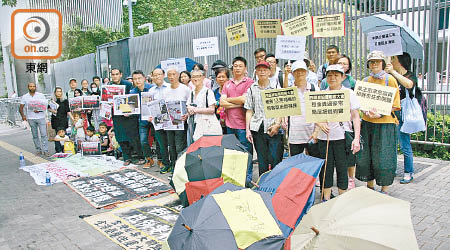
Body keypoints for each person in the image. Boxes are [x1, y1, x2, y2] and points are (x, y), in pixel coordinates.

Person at [313, 64, 361, 201]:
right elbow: (312, 115)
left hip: (342, 138)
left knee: (342, 169)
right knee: (326, 170)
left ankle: (342, 200)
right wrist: (319, 123)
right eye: (329, 75)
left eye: (336, 75)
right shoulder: (321, 94)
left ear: (342, 77)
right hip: (325, 139)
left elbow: (356, 116)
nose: (332, 78)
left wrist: (356, 138)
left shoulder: (349, 93)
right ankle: (326, 199)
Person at [356, 51, 401, 194]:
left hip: (385, 125)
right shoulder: (365, 81)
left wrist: (380, 113)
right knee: (367, 155)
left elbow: (395, 104)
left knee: (384, 156)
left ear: (382, 63)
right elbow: (359, 103)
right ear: (368, 64)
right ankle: (370, 186)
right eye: (372, 61)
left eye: (377, 61)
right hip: (368, 123)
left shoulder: (390, 80)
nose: (374, 64)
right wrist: (366, 111)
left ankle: (384, 188)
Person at [385, 52, 421, 184]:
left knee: (405, 145)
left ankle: (408, 172)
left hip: (404, 114)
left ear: (400, 61)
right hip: (392, 113)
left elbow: (409, 84)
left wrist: (393, 72)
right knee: (391, 144)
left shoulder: (410, 76)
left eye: (393, 58)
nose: (391, 61)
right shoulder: (390, 75)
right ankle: (392, 169)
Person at [245, 61, 283, 178]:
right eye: (259, 70)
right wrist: (248, 130)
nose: (262, 72)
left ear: (269, 72)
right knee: (262, 159)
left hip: (273, 127)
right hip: (258, 128)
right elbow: (249, 110)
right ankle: (263, 184)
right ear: (256, 72)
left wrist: (277, 124)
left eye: (265, 69)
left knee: (275, 158)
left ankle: (275, 184)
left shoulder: (276, 87)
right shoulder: (252, 89)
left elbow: (281, 108)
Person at [110, 68, 145, 166]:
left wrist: (128, 110)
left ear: (121, 74)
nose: (115, 76)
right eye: (113, 74)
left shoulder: (128, 84)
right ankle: (126, 157)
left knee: (133, 136)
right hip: (117, 116)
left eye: (117, 74)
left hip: (129, 115)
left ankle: (140, 156)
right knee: (121, 137)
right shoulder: (108, 87)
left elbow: (133, 99)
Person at [220, 56, 254, 154]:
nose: (237, 68)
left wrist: (229, 100)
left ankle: (248, 170)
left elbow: (244, 99)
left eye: (240, 66)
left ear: (245, 68)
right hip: (229, 124)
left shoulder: (249, 82)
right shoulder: (227, 83)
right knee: (233, 152)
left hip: (243, 125)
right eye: (235, 66)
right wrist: (239, 104)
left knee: (246, 152)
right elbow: (222, 102)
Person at [161, 67, 191, 173]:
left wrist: (187, 114)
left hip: (181, 122)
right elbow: (163, 106)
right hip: (169, 123)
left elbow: (190, 104)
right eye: (169, 74)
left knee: (180, 145)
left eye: (174, 74)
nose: (172, 77)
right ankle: (173, 164)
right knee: (171, 145)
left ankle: (181, 166)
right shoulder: (166, 90)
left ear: (178, 75)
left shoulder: (185, 89)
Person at [286, 61, 315, 156]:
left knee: (313, 165)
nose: (300, 73)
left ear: (306, 72)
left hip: (312, 134)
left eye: (302, 70)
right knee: (296, 166)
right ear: (292, 73)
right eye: (296, 71)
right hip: (295, 134)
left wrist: (317, 132)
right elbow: (284, 111)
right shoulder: (289, 91)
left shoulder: (315, 89)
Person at [130, 70, 155, 169]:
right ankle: (149, 159)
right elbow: (130, 107)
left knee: (158, 140)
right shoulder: (132, 92)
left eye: (139, 78)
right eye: (135, 79)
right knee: (143, 140)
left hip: (153, 118)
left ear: (144, 78)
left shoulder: (151, 89)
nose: (137, 81)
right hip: (142, 120)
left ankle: (161, 160)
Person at [148, 68, 170, 171]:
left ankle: (174, 164)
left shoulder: (170, 88)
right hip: (157, 122)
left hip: (170, 121)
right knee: (162, 144)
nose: (157, 77)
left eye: (159, 74)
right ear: (152, 76)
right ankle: (165, 163)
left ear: (163, 75)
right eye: (155, 75)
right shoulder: (151, 91)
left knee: (172, 144)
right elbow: (147, 107)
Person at [19, 82, 49, 156]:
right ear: (28, 87)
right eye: (30, 86)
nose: (32, 87)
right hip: (31, 118)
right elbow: (21, 107)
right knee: (35, 135)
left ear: (35, 87)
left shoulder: (41, 95)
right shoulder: (25, 97)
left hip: (41, 117)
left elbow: (45, 105)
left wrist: (40, 109)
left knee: (44, 134)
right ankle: (38, 149)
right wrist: (23, 116)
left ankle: (46, 150)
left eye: (33, 86)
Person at [186, 69, 217, 141]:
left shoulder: (208, 92)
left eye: (198, 76)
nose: (196, 79)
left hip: (205, 125)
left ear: (203, 77)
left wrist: (195, 110)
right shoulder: (191, 92)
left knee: (204, 148)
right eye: (193, 77)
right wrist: (189, 109)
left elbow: (212, 110)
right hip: (192, 124)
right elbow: (188, 105)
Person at [48, 87, 72, 152]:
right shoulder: (52, 100)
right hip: (55, 120)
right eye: (57, 91)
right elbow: (48, 108)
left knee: (64, 135)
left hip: (63, 120)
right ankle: (58, 150)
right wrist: (52, 111)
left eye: (60, 91)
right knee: (57, 136)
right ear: (55, 93)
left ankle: (66, 149)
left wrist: (72, 119)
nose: (59, 93)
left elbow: (68, 111)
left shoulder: (65, 100)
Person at [213, 67, 230, 134]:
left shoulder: (231, 92)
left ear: (228, 78)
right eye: (219, 77)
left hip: (230, 123)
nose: (221, 79)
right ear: (216, 79)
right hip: (217, 124)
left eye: (223, 77)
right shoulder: (214, 92)